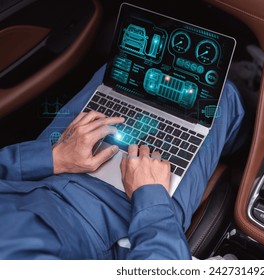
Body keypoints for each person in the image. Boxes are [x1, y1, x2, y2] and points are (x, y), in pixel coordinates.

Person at [0, 65, 245, 259]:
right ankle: (243, 149)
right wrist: (149, 196)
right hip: (122, 218)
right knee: (221, 96)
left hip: (39, 174)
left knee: (119, 75)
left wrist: (53, 158)